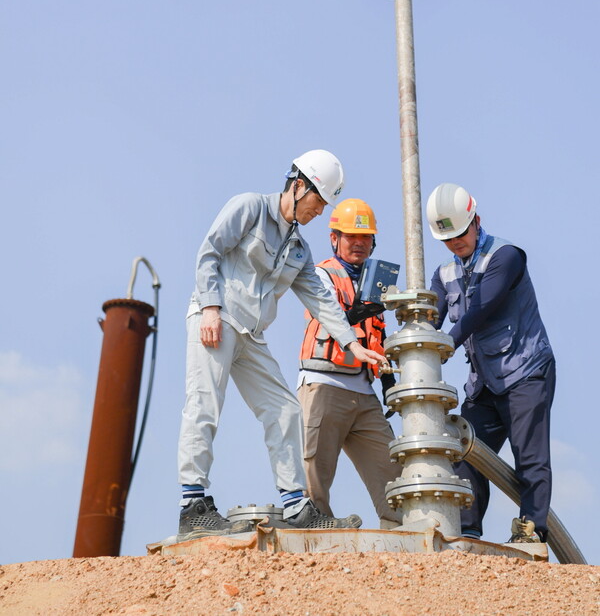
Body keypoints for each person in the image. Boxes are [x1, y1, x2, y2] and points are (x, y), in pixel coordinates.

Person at [177, 150, 387, 539]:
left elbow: (321, 301)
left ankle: (296, 505)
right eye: (318, 201)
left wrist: (353, 345)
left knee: (286, 410)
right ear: (298, 185)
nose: (320, 211)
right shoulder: (249, 208)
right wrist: (209, 307)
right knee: (204, 405)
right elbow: (209, 252)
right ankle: (193, 505)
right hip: (217, 320)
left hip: (251, 337)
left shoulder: (299, 250)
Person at [426, 182, 555, 544]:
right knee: (467, 452)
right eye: (447, 239)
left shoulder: (506, 256)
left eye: (461, 234)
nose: (456, 243)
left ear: (476, 221)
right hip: (483, 383)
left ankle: (532, 530)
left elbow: (482, 308)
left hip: (525, 371)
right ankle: (467, 531)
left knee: (529, 456)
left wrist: (447, 342)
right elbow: (429, 319)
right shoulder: (445, 273)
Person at [297, 198, 402, 529]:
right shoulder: (321, 274)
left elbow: (378, 336)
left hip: (362, 390)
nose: (358, 243)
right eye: (350, 236)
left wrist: (389, 385)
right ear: (334, 238)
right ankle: (314, 549)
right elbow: (331, 316)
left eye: (365, 237)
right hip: (324, 385)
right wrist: (364, 309)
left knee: (392, 476)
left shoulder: (375, 282)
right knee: (314, 476)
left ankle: (403, 545)